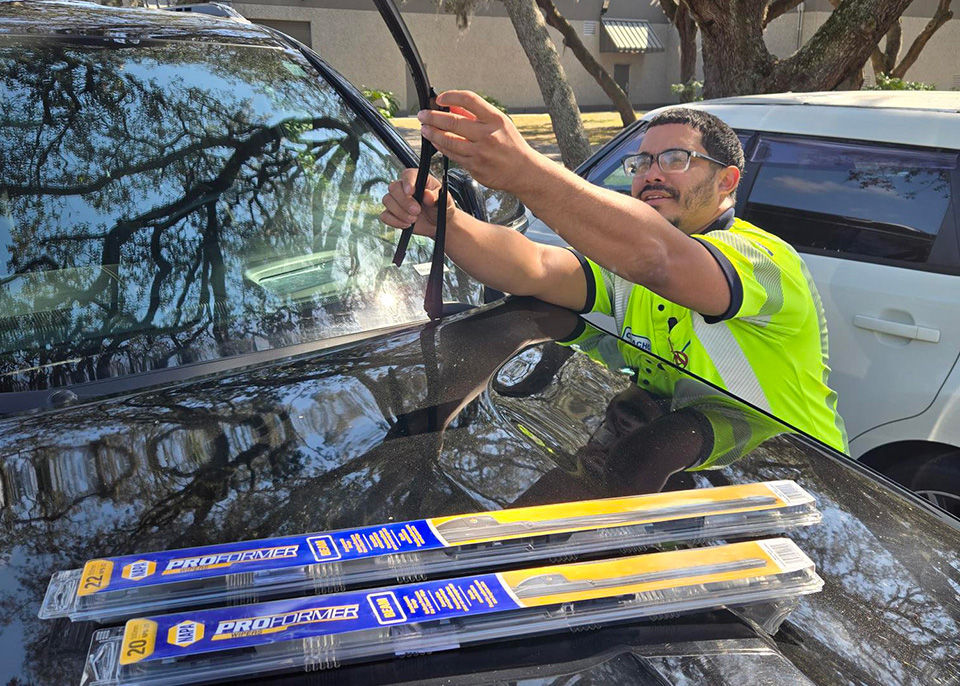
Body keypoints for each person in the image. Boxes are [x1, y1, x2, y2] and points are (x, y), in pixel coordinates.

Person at [380, 90, 847, 454]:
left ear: (726, 181)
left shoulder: (764, 260)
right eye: (641, 163)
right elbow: (535, 267)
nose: (651, 174)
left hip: (805, 488)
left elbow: (660, 259)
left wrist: (524, 170)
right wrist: (449, 223)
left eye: (676, 159)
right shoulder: (627, 266)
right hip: (692, 479)